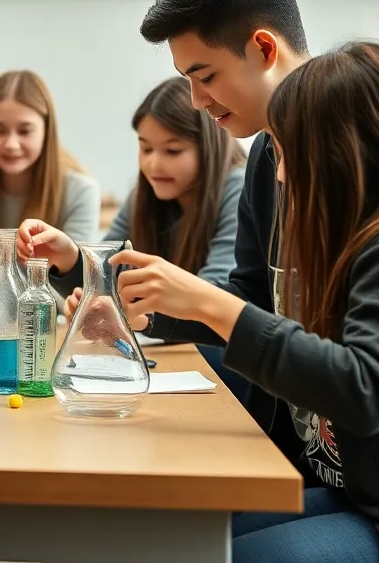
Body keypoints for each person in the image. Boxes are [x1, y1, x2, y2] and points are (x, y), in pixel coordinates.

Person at [87, 42, 379, 563]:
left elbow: (366, 389)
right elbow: (269, 317)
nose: (276, 175)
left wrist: (210, 302)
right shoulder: (360, 233)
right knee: (187, 550)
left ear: (346, 153)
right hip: (373, 494)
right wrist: (172, 304)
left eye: (289, 153)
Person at [18, 75, 249, 398]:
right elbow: (105, 273)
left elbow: (213, 297)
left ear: (209, 146)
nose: (154, 163)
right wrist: (69, 260)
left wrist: (130, 314)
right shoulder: (144, 195)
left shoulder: (238, 188)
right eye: (145, 148)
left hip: (223, 372)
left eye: (172, 150)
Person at [0, 70, 99, 259]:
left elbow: (81, 279)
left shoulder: (81, 191)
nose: (11, 144)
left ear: (46, 131)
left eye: (25, 131)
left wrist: (17, 268)